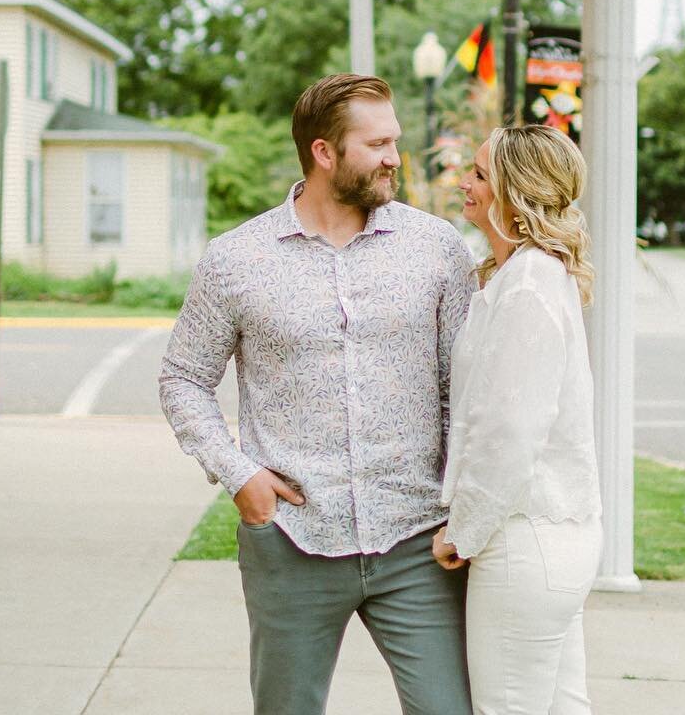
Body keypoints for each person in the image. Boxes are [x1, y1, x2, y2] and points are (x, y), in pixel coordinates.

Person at [158, 72, 478, 715]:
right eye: (377, 143)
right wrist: (239, 474)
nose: (395, 157)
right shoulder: (236, 258)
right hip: (293, 538)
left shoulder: (437, 248)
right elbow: (183, 378)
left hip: (418, 540)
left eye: (395, 141)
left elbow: (462, 391)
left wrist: (462, 505)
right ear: (323, 152)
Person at [432, 124, 603, 715]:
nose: (466, 183)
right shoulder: (524, 276)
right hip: (551, 537)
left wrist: (464, 532)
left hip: (524, 541)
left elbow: (510, 432)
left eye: (480, 174)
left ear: (515, 192)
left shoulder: (529, 285)